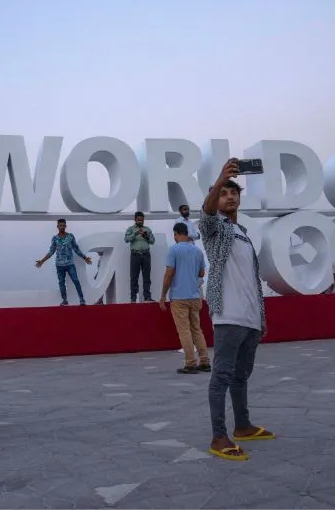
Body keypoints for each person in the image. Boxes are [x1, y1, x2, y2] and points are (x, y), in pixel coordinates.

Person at [199, 159, 274, 462]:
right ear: (216, 197)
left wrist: (261, 318)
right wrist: (219, 178)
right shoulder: (214, 228)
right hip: (228, 314)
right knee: (222, 376)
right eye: (223, 193)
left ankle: (242, 426)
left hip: (250, 317)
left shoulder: (241, 232)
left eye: (234, 193)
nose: (230, 197)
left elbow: (251, 279)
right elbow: (205, 214)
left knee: (241, 377)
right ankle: (219, 435)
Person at [160, 222, 209, 374]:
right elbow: (201, 274)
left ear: (176, 234)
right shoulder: (197, 251)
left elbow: (169, 274)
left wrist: (162, 295)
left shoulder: (173, 250)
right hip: (195, 296)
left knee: (184, 331)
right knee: (196, 329)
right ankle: (205, 361)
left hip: (179, 297)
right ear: (187, 233)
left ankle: (190, 363)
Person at [35, 219, 92, 306]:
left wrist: (84, 257)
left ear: (66, 226)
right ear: (57, 226)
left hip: (70, 264)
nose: (62, 227)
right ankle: (65, 300)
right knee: (61, 283)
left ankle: (82, 299)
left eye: (63, 225)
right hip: (59, 265)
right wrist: (42, 261)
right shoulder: (55, 238)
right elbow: (51, 251)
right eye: (60, 225)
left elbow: (76, 249)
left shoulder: (70, 237)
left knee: (76, 280)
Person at [124, 211, 155, 303]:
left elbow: (152, 241)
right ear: (135, 219)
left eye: (142, 220)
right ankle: (133, 299)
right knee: (134, 277)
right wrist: (136, 233)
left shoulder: (147, 229)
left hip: (146, 254)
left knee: (147, 276)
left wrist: (146, 237)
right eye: (138, 220)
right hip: (135, 255)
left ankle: (147, 297)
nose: (140, 222)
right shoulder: (130, 229)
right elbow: (126, 239)